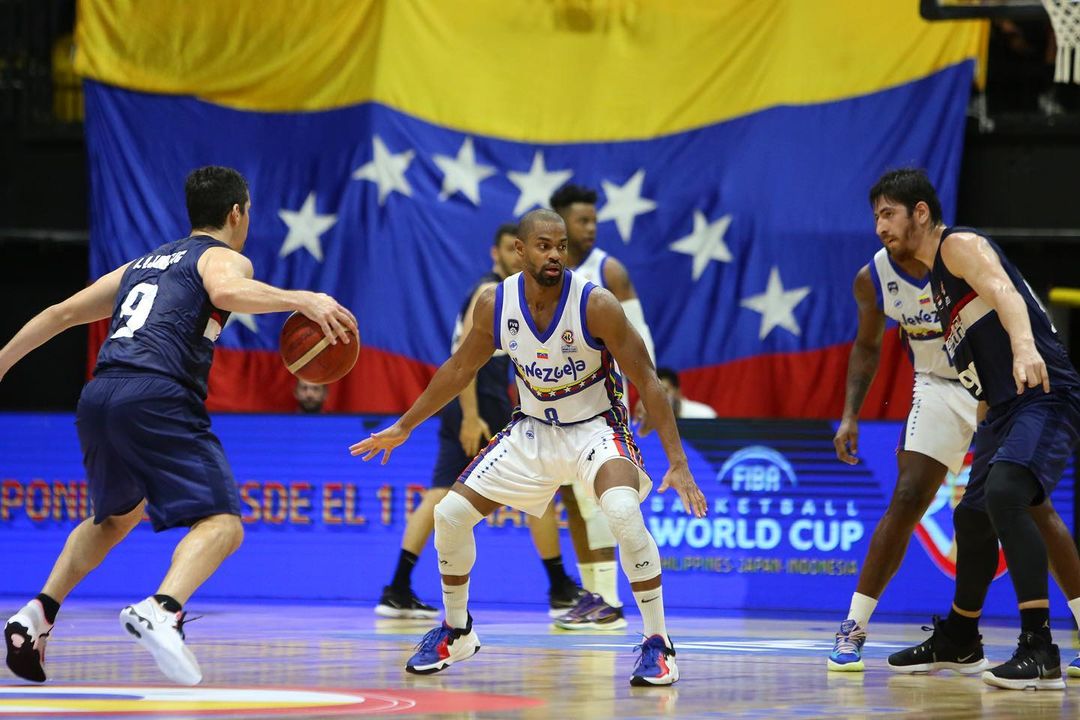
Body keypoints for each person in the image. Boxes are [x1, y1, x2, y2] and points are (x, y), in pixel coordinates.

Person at [1, 166, 356, 686]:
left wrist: (3, 361)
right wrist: (303, 299)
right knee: (223, 524)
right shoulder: (223, 256)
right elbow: (228, 289)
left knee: (115, 519)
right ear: (236, 213)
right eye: (249, 212)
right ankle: (163, 608)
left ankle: (36, 614)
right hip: (157, 392)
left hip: (100, 395)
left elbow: (59, 314)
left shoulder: (140, 265)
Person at [351, 209, 707, 685]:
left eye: (560, 246)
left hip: (597, 429)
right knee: (449, 515)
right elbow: (459, 369)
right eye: (544, 245)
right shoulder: (494, 304)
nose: (555, 254)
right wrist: (404, 426)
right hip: (533, 429)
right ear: (518, 251)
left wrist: (678, 463)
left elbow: (648, 379)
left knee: (622, 511)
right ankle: (457, 630)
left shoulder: (596, 304)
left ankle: (657, 642)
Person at [826, 216, 1080, 677]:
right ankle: (857, 627)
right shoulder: (875, 277)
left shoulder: (957, 251)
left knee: (1029, 504)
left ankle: (1049, 637)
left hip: (1003, 384)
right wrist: (850, 413)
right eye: (876, 215)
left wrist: (1024, 346)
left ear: (919, 214)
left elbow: (1008, 295)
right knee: (913, 499)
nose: (881, 225)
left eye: (890, 213)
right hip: (943, 386)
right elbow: (866, 346)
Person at [375, 223, 583, 619]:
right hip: (474, 405)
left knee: (445, 494)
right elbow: (461, 361)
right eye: (510, 249)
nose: (516, 257)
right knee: (536, 489)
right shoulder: (488, 293)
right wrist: (470, 416)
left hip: (488, 401)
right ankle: (559, 587)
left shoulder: (517, 296)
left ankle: (397, 586)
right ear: (501, 253)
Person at [546, 183, 659, 630]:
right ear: (559, 225)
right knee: (573, 501)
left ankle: (611, 599)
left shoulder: (608, 270)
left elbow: (641, 334)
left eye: (594, 220)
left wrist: (647, 392)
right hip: (557, 404)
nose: (591, 228)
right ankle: (595, 594)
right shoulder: (543, 272)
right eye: (582, 220)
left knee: (601, 500)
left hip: (605, 402)